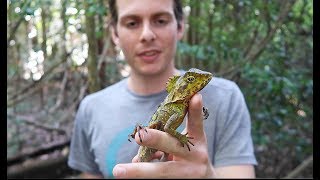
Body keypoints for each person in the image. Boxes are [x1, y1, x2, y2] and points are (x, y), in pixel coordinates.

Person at [67, 0, 257, 178]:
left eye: (160, 20)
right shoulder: (90, 108)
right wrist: (181, 140)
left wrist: (207, 176)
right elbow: (167, 127)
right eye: (132, 23)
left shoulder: (227, 98)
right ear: (115, 33)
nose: (147, 35)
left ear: (180, 26)